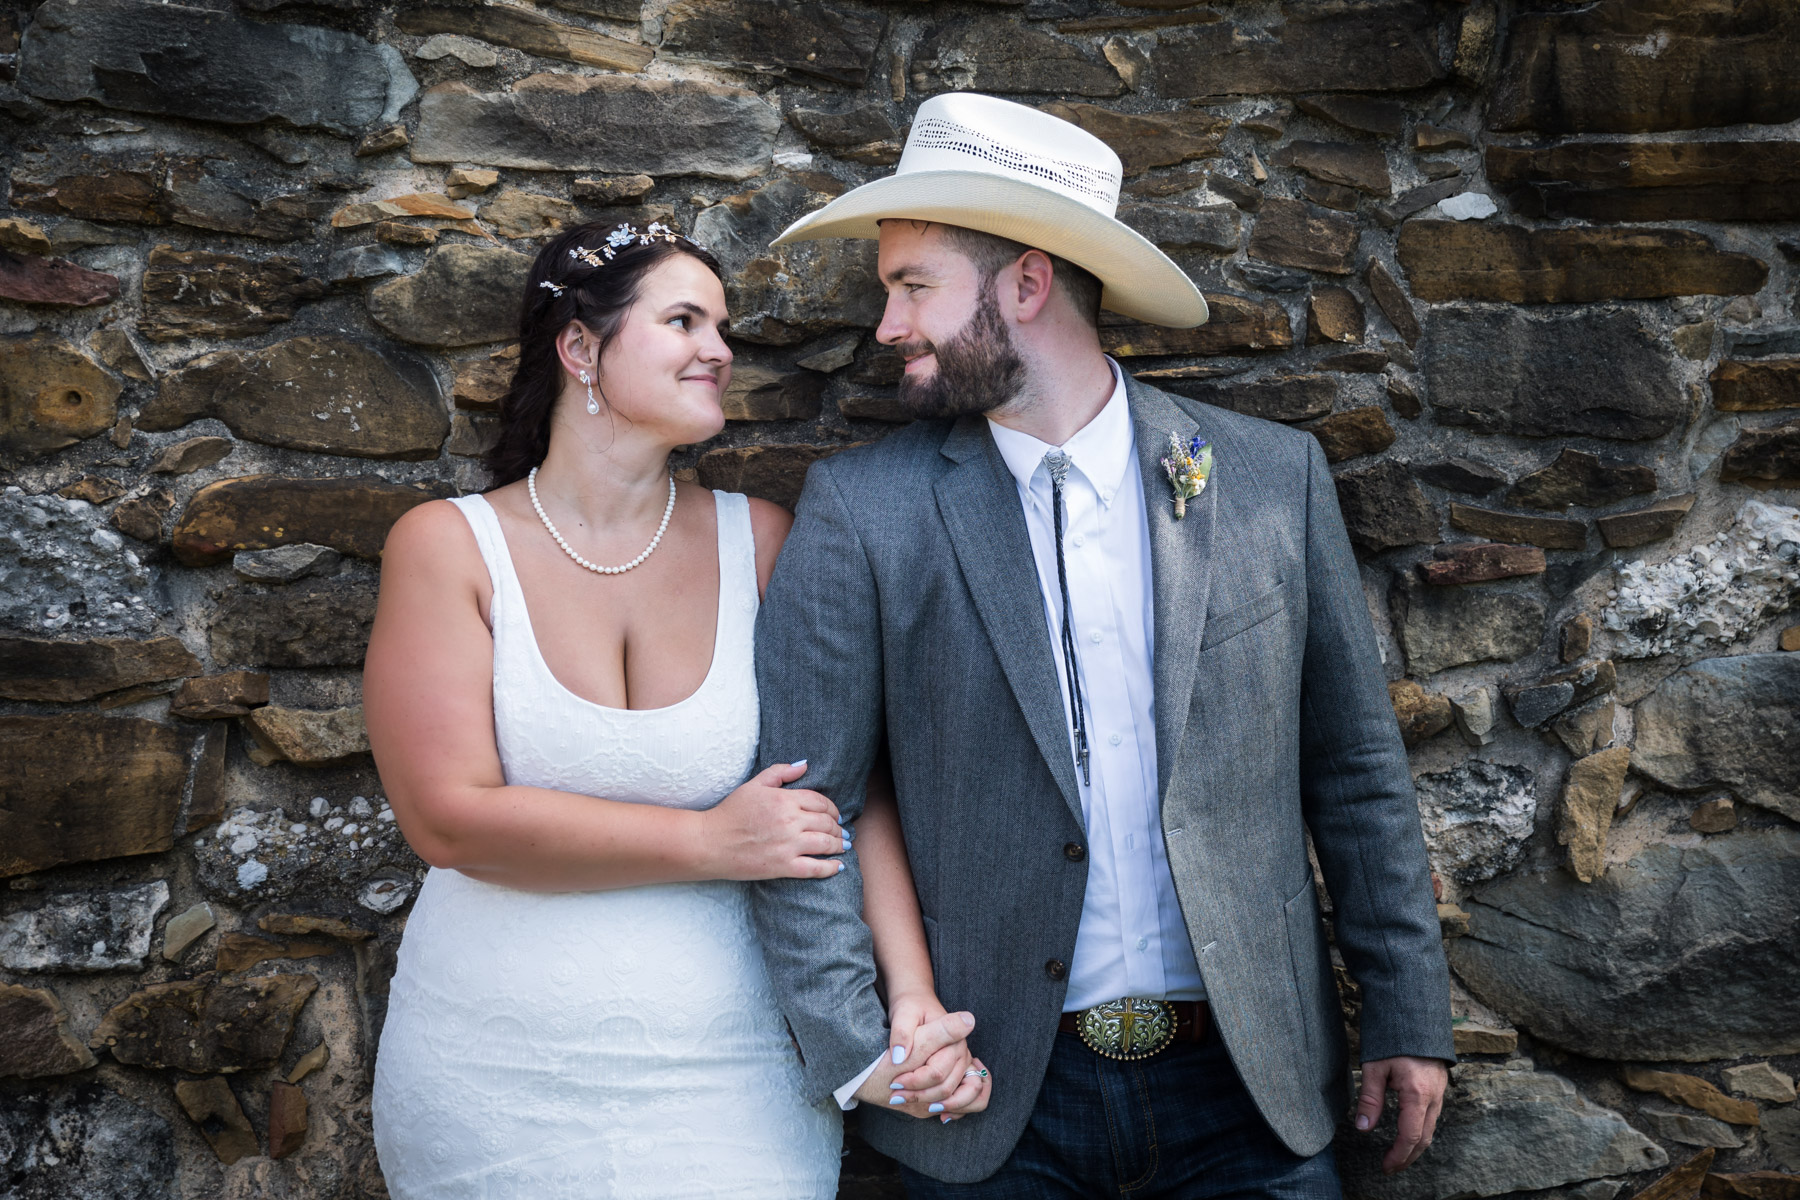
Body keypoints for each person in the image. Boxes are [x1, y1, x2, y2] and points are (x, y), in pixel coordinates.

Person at [750, 93, 1456, 1197]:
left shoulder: (1270, 477)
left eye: (912, 287)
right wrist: (867, 1049)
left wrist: (1409, 1011)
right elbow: (804, 807)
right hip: (988, 1105)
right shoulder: (862, 511)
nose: (887, 327)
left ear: (1026, 285)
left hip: (1250, 1092)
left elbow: (1356, 770)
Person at [363, 220, 989, 1199]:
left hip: (734, 1072)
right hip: (492, 1072)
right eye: (684, 320)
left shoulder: (766, 540)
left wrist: (908, 1004)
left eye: (724, 325)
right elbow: (447, 817)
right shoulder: (447, 547)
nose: (720, 349)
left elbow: (845, 799)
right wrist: (710, 844)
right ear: (581, 350)